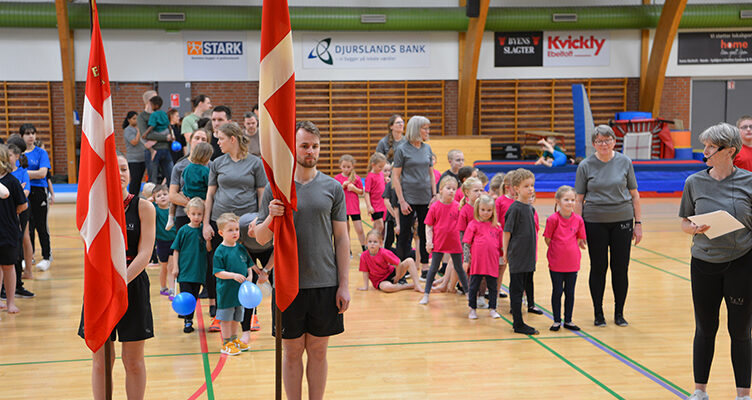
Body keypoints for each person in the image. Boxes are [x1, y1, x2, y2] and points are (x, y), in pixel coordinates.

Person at [255, 120, 350, 400]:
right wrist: (272, 216)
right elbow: (261, 238)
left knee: (319, 352)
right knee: (292, 351)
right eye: (305, 145)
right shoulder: (276, 189)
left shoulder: (333, 188)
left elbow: (342, 239)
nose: (311, 151)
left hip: (324, 283)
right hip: (287, 284)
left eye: (315, 146)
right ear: (293, 148)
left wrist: (343, 284)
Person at [679, 123, 752, 400]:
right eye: (705, 145)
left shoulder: (749, 182)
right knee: (705, 327)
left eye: (711, 147)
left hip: (742, 263)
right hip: (704, 264)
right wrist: (693, 229)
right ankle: (700, 391)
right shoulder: (694, 182)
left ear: (729, 151)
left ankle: (743, 394)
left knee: (741, 330)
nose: (705, 151)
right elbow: (685, 221)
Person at [79, 152, 156, 400]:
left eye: (124, 169)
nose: (121, 174)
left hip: (131, 285)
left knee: (133, 361)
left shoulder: (143, 207)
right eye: (115, 169)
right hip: (99, 288)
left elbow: (144, 254)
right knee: (102, 361)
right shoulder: (94, 209)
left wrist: (120, 283)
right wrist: (107, 284)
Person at [575, 124, 642, 327]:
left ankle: (619, 313)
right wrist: (577, 229)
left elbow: (634, 195)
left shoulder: (625, 162)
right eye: (599, 141)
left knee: (620, 269)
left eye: (607, 140)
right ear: (594, 144)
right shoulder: (585, 165)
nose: (604, 144)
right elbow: (579, 199)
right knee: (598, 268)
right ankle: (598, 313)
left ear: (614, 141)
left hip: (622, 220)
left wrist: (638, 223)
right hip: (594, 221)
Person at [203, 122, 267, 333]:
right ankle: (221, 315)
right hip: (220, 222)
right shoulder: (217, 163)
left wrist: (260, 221)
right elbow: (210, 194)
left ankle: (251, 315)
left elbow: (261, 194)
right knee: (221, 271)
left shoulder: (255, 163)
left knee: (247, 269)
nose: (217, 142)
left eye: (220, 138)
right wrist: (205, 223)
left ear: (232, 139)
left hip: (246, 224)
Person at [392, 116, 435, 278]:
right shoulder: (402, 149)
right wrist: (401, 200)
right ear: (416, 129)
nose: (427, 131)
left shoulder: (427, 149)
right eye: (425, 128)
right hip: (408, 198)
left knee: (425, 233)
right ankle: (403, 268)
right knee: (405, 234)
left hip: (426, 198)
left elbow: (431, 174)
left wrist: (434, 194)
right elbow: (396, 177)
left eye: (428, 128)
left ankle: (425, 268)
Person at [419, 176, 469, 305]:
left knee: (459, 268)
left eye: (454, 189)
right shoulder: (435, 207)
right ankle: (426, 294)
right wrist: (428, 242)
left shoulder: (459, 206)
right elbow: (428, 225)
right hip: (439, 242)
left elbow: (464, 226)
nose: (451, 191)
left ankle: (469, 294)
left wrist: (465, 242)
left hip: (455, 243)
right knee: (433, 268)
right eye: (448, 188)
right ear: (441, 190)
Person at [543, 185, 586, 332]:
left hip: (572, 262)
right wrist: (558, 249)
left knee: (570, 292)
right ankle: (556, 320)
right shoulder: (552, 219)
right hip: (556, 262)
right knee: (557, 291)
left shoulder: (579, 220)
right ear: (558, 201)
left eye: (572, 200)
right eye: (566, 199)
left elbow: (580, 238)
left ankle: (568, 320)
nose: (570, 203)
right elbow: (547, 239)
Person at [502, 168, 539, 335]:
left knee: (524, 285)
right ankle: (518, 323)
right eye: (526, 186)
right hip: (518, 254)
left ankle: (522, 316)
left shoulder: (530, 208)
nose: (530, 189)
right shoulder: (515, 209)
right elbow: (507, 232)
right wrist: (505, 253)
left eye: (532, 185)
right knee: (516, 289)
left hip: (528, 254)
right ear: (516, 188)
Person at [212, 212, 253, 356]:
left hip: (240, 293)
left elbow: (249, 266)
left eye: (236, 229)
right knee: (226, 319)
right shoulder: (220, 251)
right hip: (226, 293)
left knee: (237, 317)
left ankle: (234, 340)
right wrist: (233, 276)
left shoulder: (241, 248)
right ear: (221, 232)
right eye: (230, 230)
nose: (235, 232)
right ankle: (226, 343)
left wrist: (249, 276)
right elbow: (218, 272)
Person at [171, 197, 209, 334]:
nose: (196, 217)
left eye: (199, 214)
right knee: (186, 295)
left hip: (198, 271)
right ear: (188, 214)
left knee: (194, 297)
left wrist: (208, 238)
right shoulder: (183, 231)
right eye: (193, 214)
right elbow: (176, 249)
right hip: (185, 271)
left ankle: (189, 317)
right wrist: (175, 267)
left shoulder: (203, 231)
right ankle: (188, 321)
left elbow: (209, 249)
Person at [464, 194, 502, 320]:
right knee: (474, 286)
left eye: (489, 210)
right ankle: (472, 309)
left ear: (493, 211)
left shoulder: (497, 227)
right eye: (483, 210)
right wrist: (465, 260)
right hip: (477, 263)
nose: (486, 213)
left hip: (492, 262)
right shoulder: (473, 224)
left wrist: (504, 257)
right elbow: (467, 244)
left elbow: (501, 245)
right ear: (478, 209)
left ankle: (492, 308)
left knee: (492, 287)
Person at [20, 124, 52, 272]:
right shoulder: (19, 154)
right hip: (24, 191)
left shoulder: (41, 153)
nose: (31, 136)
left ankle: (46, 257)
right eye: (27, 133)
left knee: (41, 226)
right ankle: (29, 256)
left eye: (33, 133)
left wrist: (25, 174)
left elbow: (42, 174)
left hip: (39, 191)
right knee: (28, 227)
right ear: (22, 136)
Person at [0, 144, 27, 314]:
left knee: (8, 266)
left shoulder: (11, 181)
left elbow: (23, 205)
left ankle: (10, 302)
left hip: (7, 231)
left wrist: (10, 212)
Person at [169, 129, 210, 232]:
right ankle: (170, 218)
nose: (200, 141)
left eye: (203, 139)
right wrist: (194, 206)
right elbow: (172, 195)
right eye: (197, 138)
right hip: (184, 213)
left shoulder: (212, 166)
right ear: (190, 141)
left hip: (206, 215)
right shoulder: (179, 166)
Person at [7, 140, 34, 295]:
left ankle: (18, 284)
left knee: (20, 241)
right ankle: (7, 286)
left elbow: (25, 193)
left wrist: (12, 195)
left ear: (16, 156)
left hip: (21, 211)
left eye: (10, 155)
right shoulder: (5, 175)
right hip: (7, 212)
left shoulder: (22, 172)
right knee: (10, 245)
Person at [357, 229, 423, 292]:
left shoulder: (384, 252)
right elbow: (365, 272)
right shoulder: (364, 256)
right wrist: (365, 287)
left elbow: (398, 262)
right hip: (380, 281)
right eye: (370, 241)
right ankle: (408, 286)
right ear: (366, 243)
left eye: (375, 242)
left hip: (392, 274)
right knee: (387, 288)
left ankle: (417, 285)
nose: (372, 244)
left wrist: (397, 276)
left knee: (410, 260)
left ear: (380, 243)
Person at [335, 154, 366, 253]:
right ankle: (348, 251)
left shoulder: (356, 178)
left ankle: (364, 249)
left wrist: (354, 188)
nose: (346, 169)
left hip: (354, 208)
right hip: (343, 208)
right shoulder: (337, 178)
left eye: (348, 167)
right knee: (346, 231)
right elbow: (334, 193)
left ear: (352, 166)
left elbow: (361, 192)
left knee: (359, 229)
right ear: (340, 166)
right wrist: (341, 186)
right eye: (344, 167)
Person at [151, 184, 177, 300]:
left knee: (171, 266)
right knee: (164, 267)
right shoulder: (154, 210)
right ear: (155, 199)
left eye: (165, 194)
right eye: (159, 196)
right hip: (161, 242)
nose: (162, 197)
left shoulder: (173, 210)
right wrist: (150, 201)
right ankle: (163, 287)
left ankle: (172, 290)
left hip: (173, 241)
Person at [143, 96, 174, 185]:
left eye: (151, 104)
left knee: (153, 174)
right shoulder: (164, 113)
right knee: (169, 173)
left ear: (155, 106)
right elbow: (169, 125)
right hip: (166, 145)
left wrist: (146, 133)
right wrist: (171, 135)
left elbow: (152, 126)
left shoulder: (154, 115)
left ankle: (153, 192)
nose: (150, 106)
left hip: (157, 145)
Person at [123, 111, 147, 195]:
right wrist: (139, 132)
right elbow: (134, 142)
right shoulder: (128, 130)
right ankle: (132, 197)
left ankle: (136, 197)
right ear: (129, 120)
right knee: (135, 179)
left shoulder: (138, 129)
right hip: (133, 159)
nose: (136, 120)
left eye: (137, 118)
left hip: (142, 158)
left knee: (139, 179)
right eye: (134, 119)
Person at [137, 90, 157, 184]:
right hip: (149, 151)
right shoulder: (141, 117)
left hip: (162, 148)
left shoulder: (158, 114)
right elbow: (142, 134)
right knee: (152, 175)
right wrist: (147, 143)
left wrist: (155, 141)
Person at [365, 152, 387, 236]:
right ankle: (375, 242)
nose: (381, 169)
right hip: (375, 207)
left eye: (383, 167)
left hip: (382, 205)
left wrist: (385, 181)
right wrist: (369, 206)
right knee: (380, 226)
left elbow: (381, 186)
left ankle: (370, 241)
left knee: (376, 226)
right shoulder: (370, 177)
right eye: (380, 167)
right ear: (373, 165)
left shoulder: (380, 173)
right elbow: (366, 193)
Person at [381, 163, 399, 252]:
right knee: (388, 239)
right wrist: (395, 215)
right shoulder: (390, 185)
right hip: (391, 218)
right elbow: (386, 202)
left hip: (403, 218)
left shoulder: (407, 185)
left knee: (401, 240)